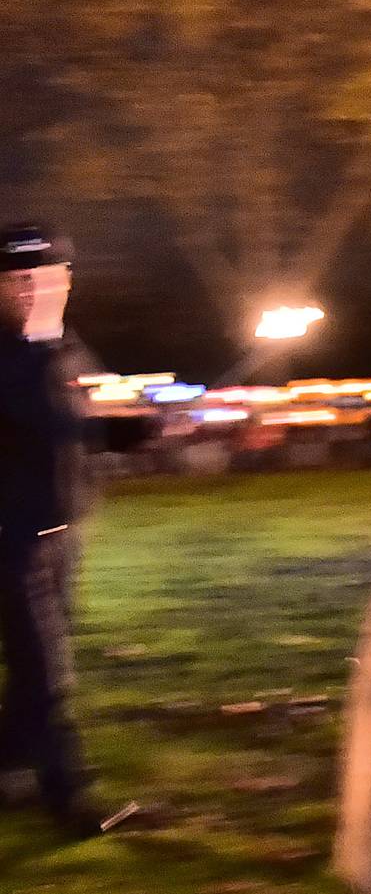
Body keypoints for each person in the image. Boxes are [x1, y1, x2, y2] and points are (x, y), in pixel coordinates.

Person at [0, 223, 125, 837]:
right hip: (12, 540)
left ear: (67, 282)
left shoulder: (65, 349)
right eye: (17, 280)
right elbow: (39, 421)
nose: (31, 291)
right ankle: (67, 803)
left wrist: (128, 432)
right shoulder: (12, 353)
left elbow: (76, 429)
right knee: (48, 673)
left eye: (44, 278)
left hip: (61, 535)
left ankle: (7, 773)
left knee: (35, 671)